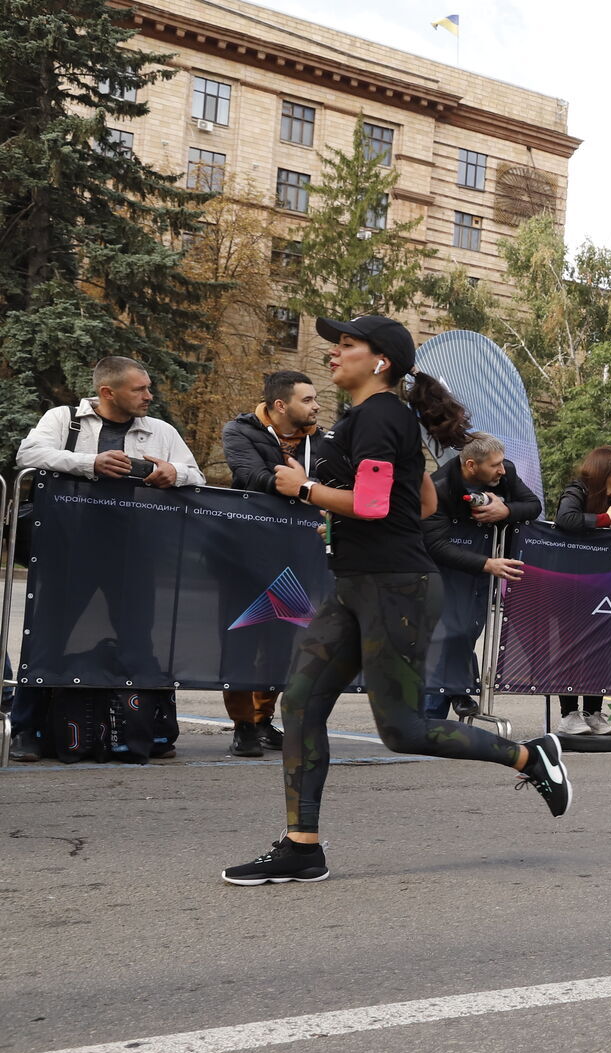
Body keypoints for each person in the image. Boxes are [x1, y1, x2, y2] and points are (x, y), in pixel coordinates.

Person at [222, 316, 572, 886]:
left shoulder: (383, 415)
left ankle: (531, 757)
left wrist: (306, 490)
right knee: (301, 703)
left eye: (347, 346)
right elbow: (424, 504)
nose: (334, 355)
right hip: (357, 582)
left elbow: (378, 504)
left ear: (381, 361)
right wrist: (341, 514)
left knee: (403, 729)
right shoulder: (366, 418)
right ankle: (301, 846)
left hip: (395, 586)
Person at [13, 356, 205, 763]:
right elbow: (28, 454)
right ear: (107, 392)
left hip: (134, 554)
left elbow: (197, 475)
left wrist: (174, 471)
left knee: (139, 640)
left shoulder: (161, 430)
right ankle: (26, 731)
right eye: (140, 389)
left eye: (148, 388)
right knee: (48, 635)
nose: (149, 396)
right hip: (70, 551)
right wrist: (90, 464)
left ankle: (153, 732)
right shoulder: (66, 419)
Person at [218, 370, 321, 756]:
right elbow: (251, 476)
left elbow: (337, 486)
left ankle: (264, 719)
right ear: (281, 405)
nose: (316, 406)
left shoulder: (322, 441)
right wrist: (309, 486)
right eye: (308, 400)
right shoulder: (240, 431)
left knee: (282, 641)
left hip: (297, 558)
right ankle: (242, 725)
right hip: (244, 552)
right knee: (240, 639)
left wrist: (308, 485)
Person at [421, 434, 542, 721]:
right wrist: (486, 563)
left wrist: (506, 510)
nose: (502, 470)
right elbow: (435, 545)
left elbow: (533, 506)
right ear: (472, 465)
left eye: (502, 463)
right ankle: (433, 712)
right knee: (449, 633)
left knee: (468, 630)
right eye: (495, 465)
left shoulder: (506, 472)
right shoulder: (438, 487)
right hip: (446, 568)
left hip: (485, 566)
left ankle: (457, 692)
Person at [551, 446, 611, 737]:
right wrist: (604, 519)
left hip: (604, 585)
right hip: (570, 584)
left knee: (599, 649)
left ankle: (593, 712)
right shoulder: (578, 488)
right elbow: (566, 519)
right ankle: (568, 714)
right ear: (606, 470)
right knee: (572, 647)